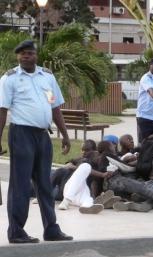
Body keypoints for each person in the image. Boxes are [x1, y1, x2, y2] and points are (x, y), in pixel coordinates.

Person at [0, 40, 73, 243]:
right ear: (18, 57)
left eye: (30, 53)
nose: (26, 56)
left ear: (36, 55)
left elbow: (54, 107)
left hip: (43, 136)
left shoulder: (47, 77)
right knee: (20, 185)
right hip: (21, 134)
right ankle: (16, 232)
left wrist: (65, 134)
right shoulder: (10, 79)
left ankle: (51, 229)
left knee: (45, 184)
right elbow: (2, 110)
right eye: (22, 54)